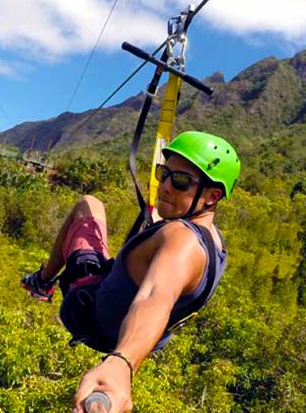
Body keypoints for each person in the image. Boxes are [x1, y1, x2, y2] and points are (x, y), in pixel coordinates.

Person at [20, 131, 241, 412]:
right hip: (131, 330)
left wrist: (121, 363)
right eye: (164, 174)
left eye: (181, 181)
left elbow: (156, 294)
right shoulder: (215, 242)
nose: (166, 186)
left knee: (89, 204)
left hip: (90, 314)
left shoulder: (182, 241)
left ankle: (42, 282)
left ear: (212, 196)